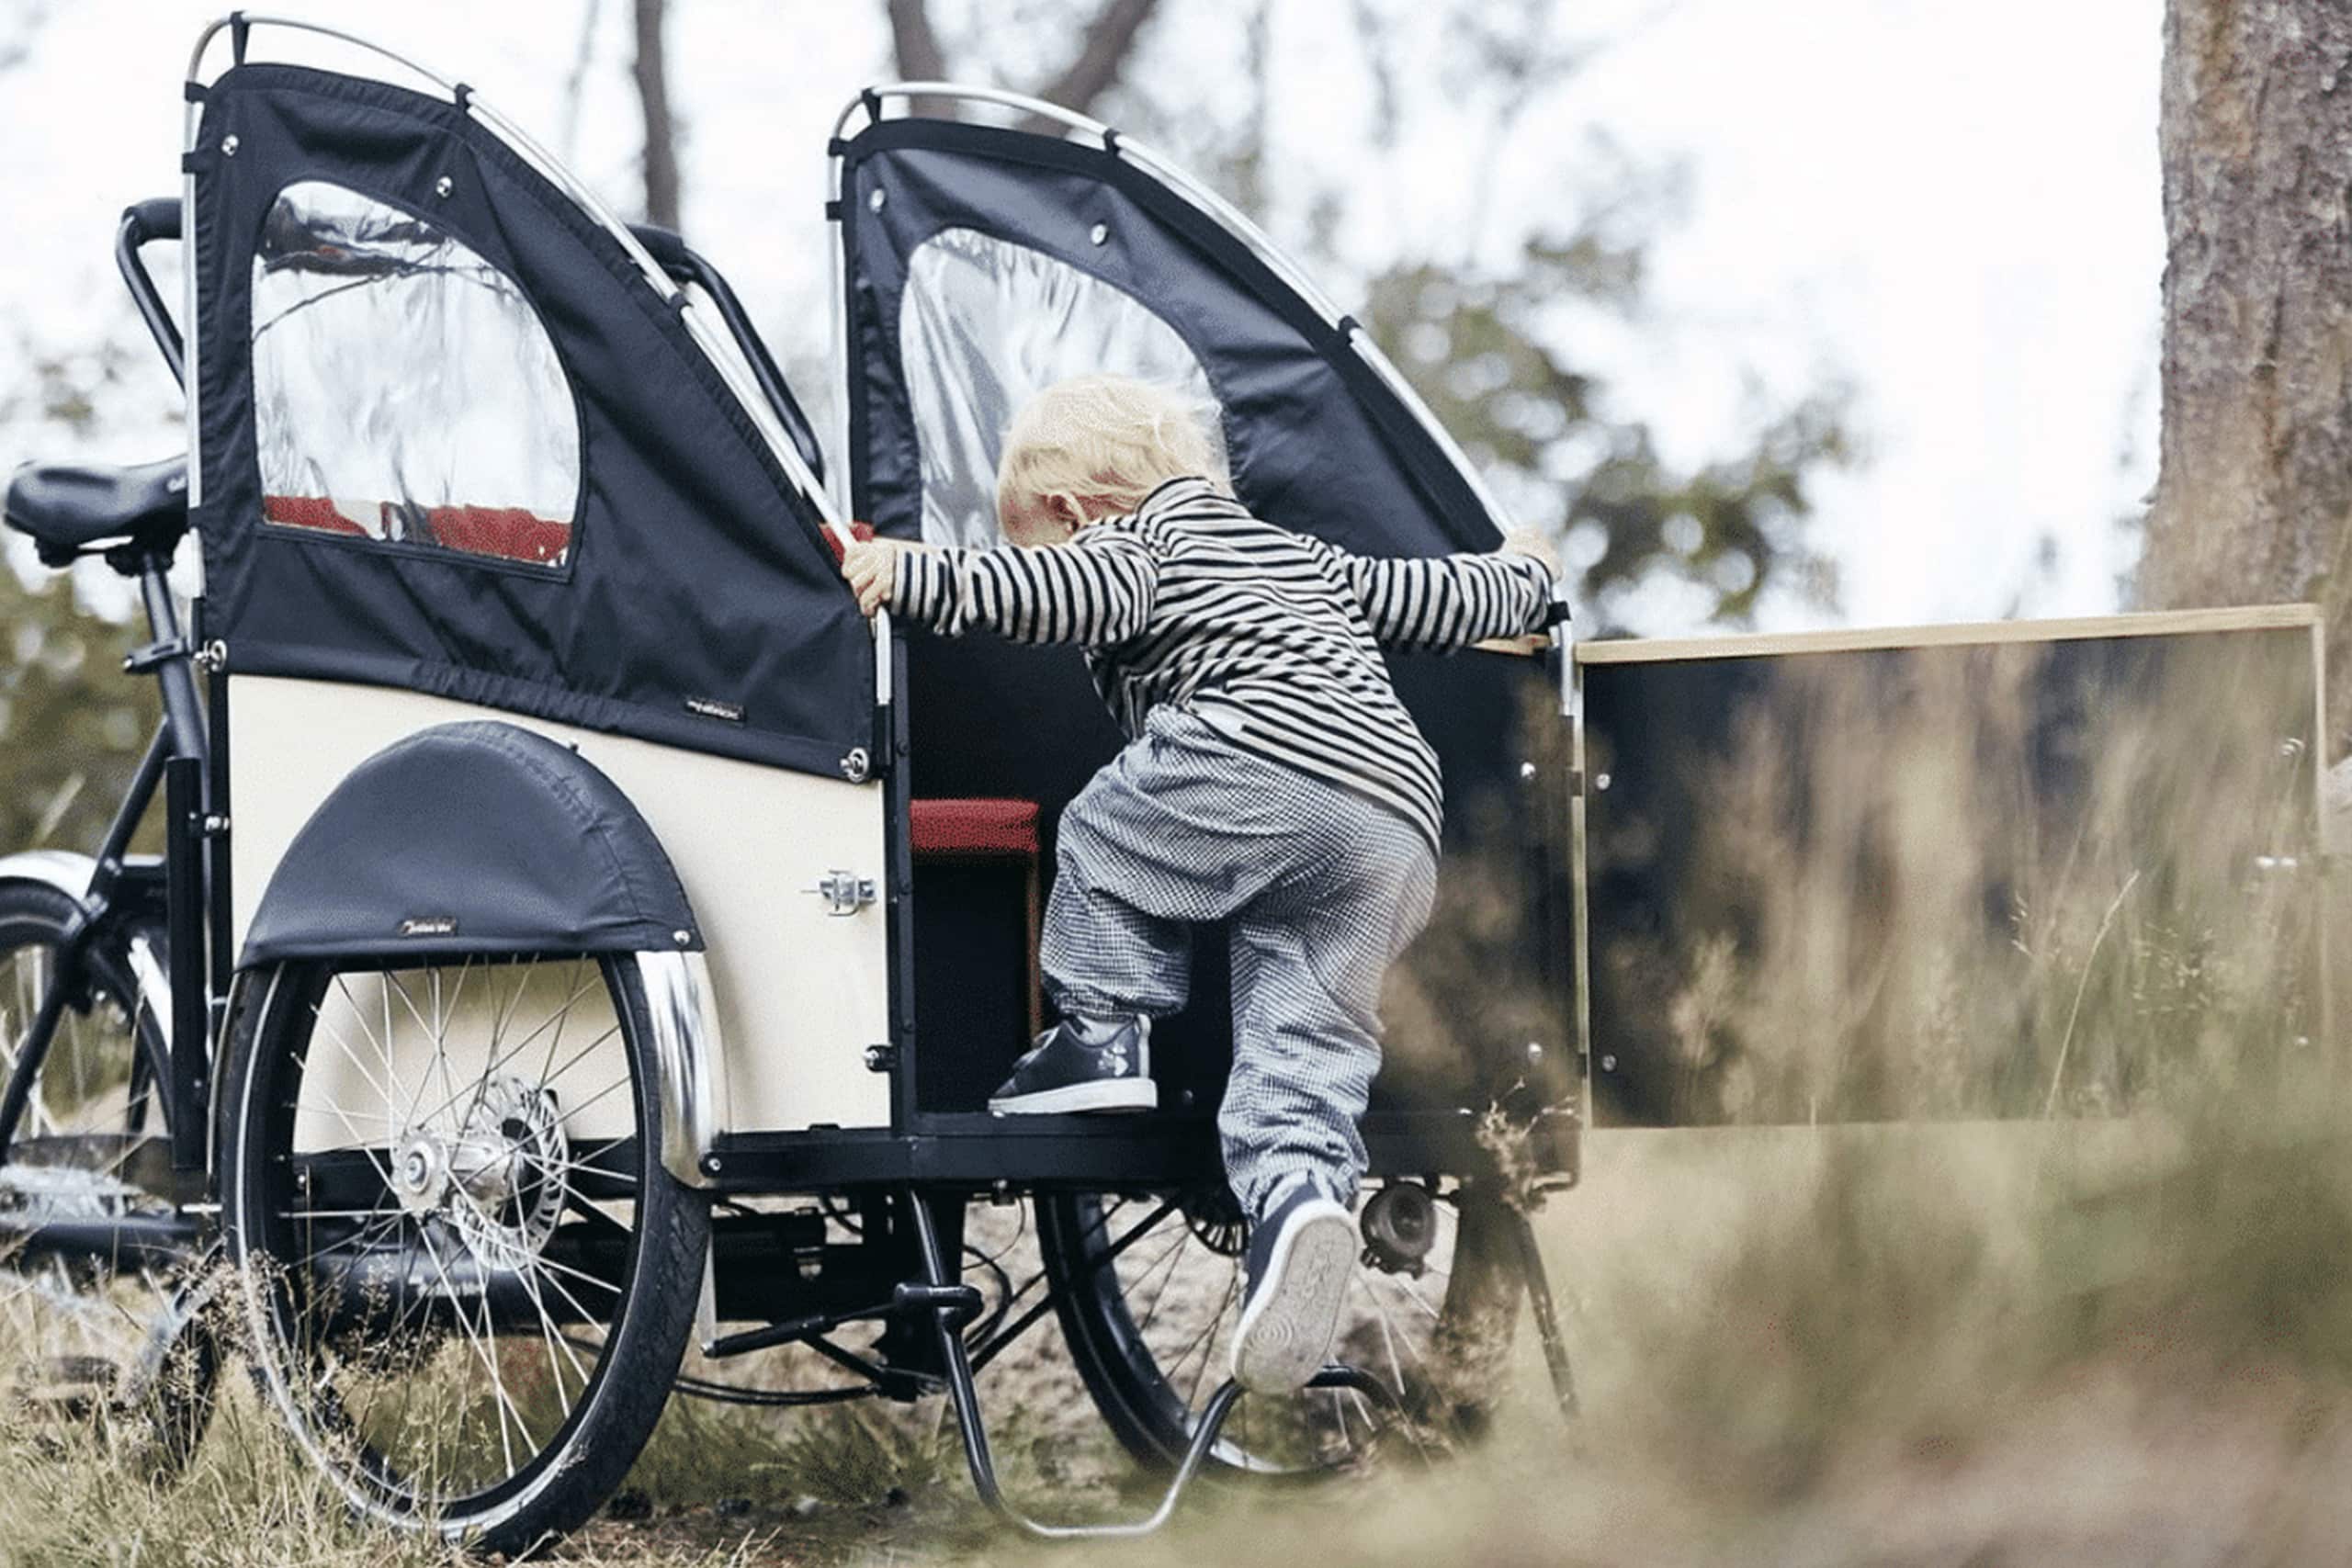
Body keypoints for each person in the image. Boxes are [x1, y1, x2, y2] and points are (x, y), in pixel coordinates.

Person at [839, 374, 1559, 1393]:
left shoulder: (1136, 545)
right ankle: (1300, 1202)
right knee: (1303, 1037)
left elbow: (1043, 596)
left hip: (1260, 758)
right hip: (1393, 811)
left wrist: (912, 573)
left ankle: (1103, 1029)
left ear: (1075, 510)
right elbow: (1442, 598)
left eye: (1034, 538)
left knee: (1100, 830)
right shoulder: (1300, 558)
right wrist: (1524, 573)